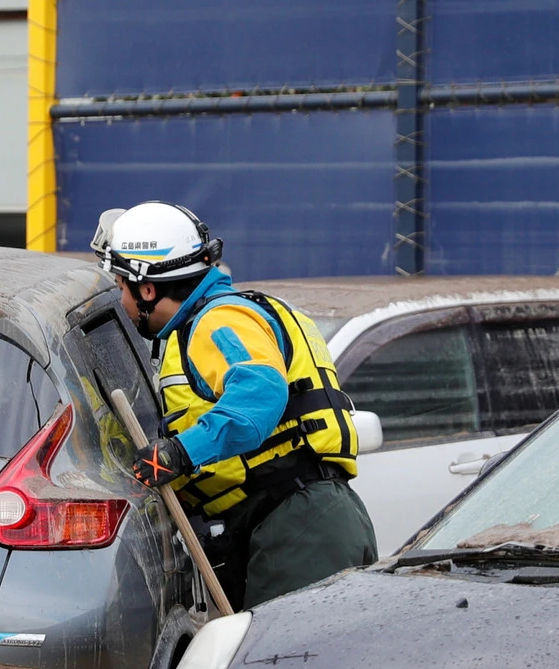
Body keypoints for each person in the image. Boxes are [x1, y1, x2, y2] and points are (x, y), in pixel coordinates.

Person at [92, 201, 377, 610]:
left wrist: (179, 453)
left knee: (287, 666)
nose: (120, 300)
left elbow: (260, 393)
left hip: (299, 524)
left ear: (148, 288)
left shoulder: (219, 322)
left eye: (121, 287)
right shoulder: (222, 317)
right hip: (298, 517)